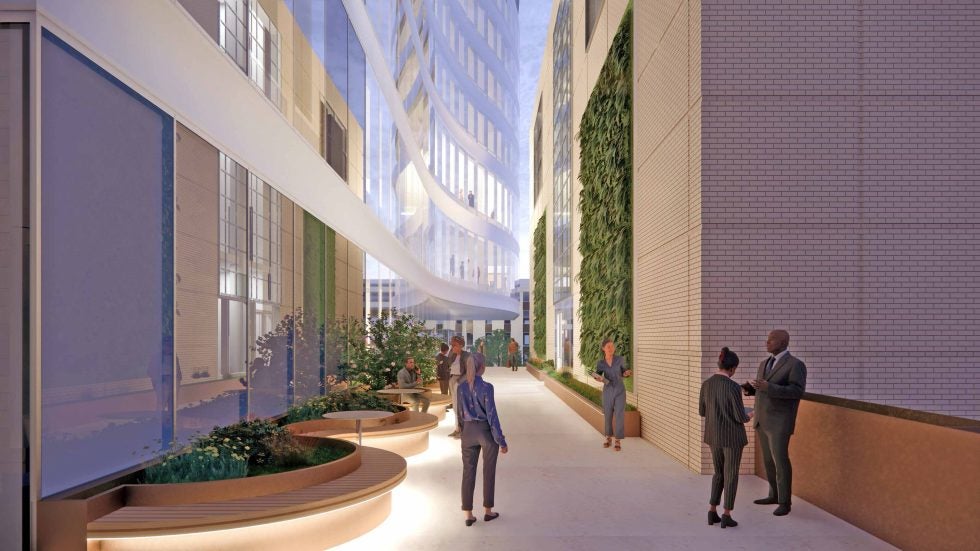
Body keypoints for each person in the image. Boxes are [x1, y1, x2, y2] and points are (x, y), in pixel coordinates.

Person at [742, 329, 807, 516]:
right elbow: (764, 389)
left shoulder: (795, 365)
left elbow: (797, 391)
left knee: (780, 461)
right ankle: (773, 495)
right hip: (762, 419)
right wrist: (751, 390)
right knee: (768, 461)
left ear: (782, 342)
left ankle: (785, 502)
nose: (766, 342)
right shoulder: (765, 363)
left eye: (771, 340)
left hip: (780, 421)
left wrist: (769, 387)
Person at [700, 347, 753, 528]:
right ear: (732, 368)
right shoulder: (733, 387)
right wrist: (750, 414)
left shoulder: (706, 384)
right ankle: (727, 515)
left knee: (718, 473)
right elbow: (740, 417)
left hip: (714, 436)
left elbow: (702, 411)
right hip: (732, 438)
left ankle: (711, 511)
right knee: (731, 475)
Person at [457, 362, 508, 526]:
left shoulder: (461, 387)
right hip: (485, 432)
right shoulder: (487, 387)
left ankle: (468, 514)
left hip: (468, 432)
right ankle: (488, 511)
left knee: (468, 472)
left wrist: (464, 431)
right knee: (488, 471)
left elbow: (459, 413)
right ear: (481, 367)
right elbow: (492, 415)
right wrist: (501, 440)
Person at [592, 338, 632, 451]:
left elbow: (624, 372)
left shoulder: (620, 359)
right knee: (608, 414)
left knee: (619, 414)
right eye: (608, 346)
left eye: (612, 346)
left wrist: (626, 373)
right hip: (608, 390)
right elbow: (598, 375)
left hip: (620, 390)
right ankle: (608, 437)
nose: (611, 348)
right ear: (603, 348)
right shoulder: (601, 363)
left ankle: (618, 440)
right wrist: (598, 378)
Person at [447, 335, 475, 438]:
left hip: (461, 382)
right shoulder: (453, 355)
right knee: (455, 407)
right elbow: (448, 363)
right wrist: (451, 350)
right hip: (453, 380)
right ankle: (457, 429)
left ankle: (463, 431)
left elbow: (469, 372)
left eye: (454, 345)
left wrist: (459, 382)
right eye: (452, 344)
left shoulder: (467, 355)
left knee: (460, 407)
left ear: (461, 345)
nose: (452, 346)